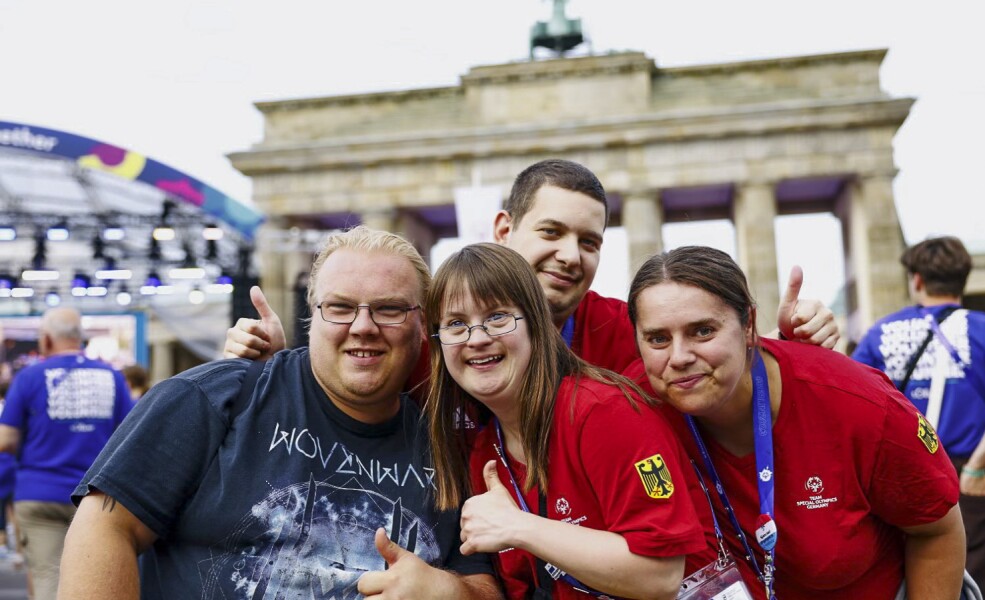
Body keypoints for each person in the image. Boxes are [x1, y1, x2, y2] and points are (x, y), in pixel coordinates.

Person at [57, 227, 500, 600]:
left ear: (424, 326)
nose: (363, 326)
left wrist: (445, 589)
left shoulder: (447, 445)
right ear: (312, 316)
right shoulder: (212, 399)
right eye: (341, 307)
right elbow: (105, 527)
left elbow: (482, 582)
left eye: (389, 309)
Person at [223, 159, 840, 372]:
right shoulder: (431, 326)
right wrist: (280, 364)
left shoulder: (630, 330)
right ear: (503, 230)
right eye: (551, 231)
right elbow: (360, 362)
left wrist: (792, 347)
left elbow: (712, 372)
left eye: (590, 241)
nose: (571, 255)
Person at [627, 245, 966, 599]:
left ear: (749, 326)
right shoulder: (632, 405)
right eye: (658, 338)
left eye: (702, 331)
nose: (679, 357)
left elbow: (937, 530)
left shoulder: (856, 402)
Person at [425, 243, 704, 599]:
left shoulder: (603, 413)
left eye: (497, 317)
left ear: (536, 324)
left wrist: (521, 527)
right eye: (456, 324)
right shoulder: (486, 452)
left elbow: (661, 575)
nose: (477, 338)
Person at [851, 236, 985, 600]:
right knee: (979, 584)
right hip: (968, 472)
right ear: (964, 279)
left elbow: (852, 404)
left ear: (916, 279)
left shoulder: (879, 333)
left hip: (899, 472)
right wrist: (977, 467)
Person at [0, 307, 135, 600]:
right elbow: (131, 435)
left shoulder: (29, 378)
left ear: (46, 340)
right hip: (97, 496)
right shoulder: (111, 377)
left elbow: (6, 440)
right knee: (96, 579)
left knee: (49, 575)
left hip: (39, 494)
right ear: (80, 339)